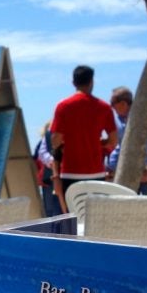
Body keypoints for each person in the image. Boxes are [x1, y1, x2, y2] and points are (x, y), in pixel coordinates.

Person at [49, 65, 118, 206]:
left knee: (74, 221)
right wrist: (98, 143)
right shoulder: (104, 108)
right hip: (96, 172)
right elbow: (113, 141)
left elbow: (55, 141)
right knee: (95, 219)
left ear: (73, 83)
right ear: (92, 82)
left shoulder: (63, 106)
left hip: (70, 172)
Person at [105, 86, 147, 194]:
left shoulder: (143, 115)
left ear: (123, 103)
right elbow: (120, 145)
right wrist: (111, 166)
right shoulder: (118, 120)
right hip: (127, 163)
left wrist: (146, 166)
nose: (111, 107)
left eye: (112, 103)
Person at [34, 121, 64, 217]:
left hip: (51, 177)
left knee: (53, 210)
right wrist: (55, 162)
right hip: (49, 179)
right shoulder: (46, 138)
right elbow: (40, 155)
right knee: (51, 211)